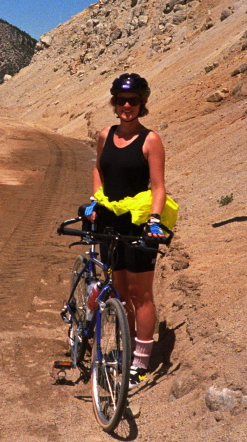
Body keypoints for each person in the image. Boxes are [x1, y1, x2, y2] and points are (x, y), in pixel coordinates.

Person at [87, 73, 167, 387]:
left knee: (141, 294)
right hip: (108, 222)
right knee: (120, 292)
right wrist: (95, 200)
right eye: (121, 100)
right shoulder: (105, 135)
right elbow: (98, 168)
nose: (126, 106)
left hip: (138, 224)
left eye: (133, 101)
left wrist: (155, 219)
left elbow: (159, 187)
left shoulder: (151, 140)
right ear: (114, 103)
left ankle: (141, 363)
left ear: (142, 104)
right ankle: (128, 347)